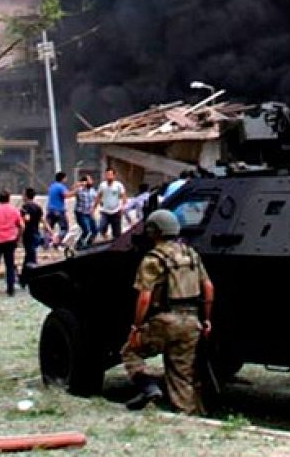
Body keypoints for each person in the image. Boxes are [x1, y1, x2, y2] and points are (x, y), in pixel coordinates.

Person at [121, 208, 215, 415]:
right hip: (192, 322)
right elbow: (208, 288)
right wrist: (206, 320)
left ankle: (148, 387)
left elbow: (145, 296)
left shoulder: (153, 259)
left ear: (153, 231)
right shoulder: (191, 254)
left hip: (165, 321)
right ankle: (187, 414)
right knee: (181, 374)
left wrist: (136, 326)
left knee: (129, 351)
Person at [18, 187, 44, 288]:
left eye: (23, 194)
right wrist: (50, 232)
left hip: (28, 234)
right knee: (29, 255)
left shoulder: (25, 207)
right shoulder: (38, 207)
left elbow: (25, 219)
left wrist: (19, 235)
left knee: (31, 256)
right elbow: (43, 220)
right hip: (36, 233)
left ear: (26, 195)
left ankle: (31, 278)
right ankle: (24, 278)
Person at [97, 168, 127, 241]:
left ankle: (115, 244)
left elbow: (124, 197)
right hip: (105, 211)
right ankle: (105, 236)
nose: (109, 176)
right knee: (102, 226)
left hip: (116, 211)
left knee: (117, 233)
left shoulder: (118, 185)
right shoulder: (102, 185)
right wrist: (94, 207)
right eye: (107, 174)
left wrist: (123, 207)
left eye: (110, 174)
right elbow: (98, 196)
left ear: (114, 175)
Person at [45, 172, 70, 247]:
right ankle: (57, 240)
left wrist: (75, 187)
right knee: (64, 228)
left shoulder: (52, 186)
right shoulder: (61, 186)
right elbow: (67, 195)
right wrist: (76, 192)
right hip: (58, 210)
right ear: (63, 178)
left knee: (49, 228)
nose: (66, 179)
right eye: (66, 178)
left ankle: (46, 244)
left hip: (50, 209)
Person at [73, 173, 98, 246]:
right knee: (86, 230)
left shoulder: (93, 190)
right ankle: (78, 244)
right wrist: (80, 184)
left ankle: (89, 244)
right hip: (81, 213)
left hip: (89, 213)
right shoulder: (79, 190)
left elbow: (97, 199)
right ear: (85, 181)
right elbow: (72, 189)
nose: (91, 181)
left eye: (91, 180)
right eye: (89, 180)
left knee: (95, 230)